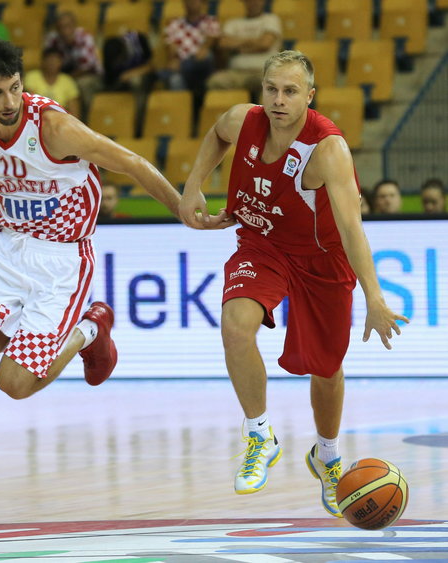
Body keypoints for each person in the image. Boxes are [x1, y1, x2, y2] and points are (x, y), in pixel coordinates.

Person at [0, 37, 194, 533]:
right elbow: (2, 186)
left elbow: (134, 163)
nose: (10, 102)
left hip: (60, 262)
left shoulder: (55, 127)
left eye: (15, 88)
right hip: (5, 254)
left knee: (14, 384)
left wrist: (188, 213)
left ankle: (90, 329)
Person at [178, 50, 408, 518]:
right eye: (272, 89)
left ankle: (326, 455)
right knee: (235, 325)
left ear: (310, 96)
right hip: (262, 243)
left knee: (326, 369)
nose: (279, 100)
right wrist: (194, 183)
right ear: (261, 90)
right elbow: (217, 135)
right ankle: (259, 434)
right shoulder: (243, 119)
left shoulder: (328, 149)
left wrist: (374, 296)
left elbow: (351, 229)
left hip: (322, 260)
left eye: (290, 91)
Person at [207, 0, 282, 100]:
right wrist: (254, 41)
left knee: (269, 83)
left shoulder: (271, 19)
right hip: (237, 73)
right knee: (215, 81)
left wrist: (237, 46)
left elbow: (265, 44)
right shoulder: (233, 23)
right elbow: (223, 43)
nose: (253, 3)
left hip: (263, 72)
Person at [159, 0, 221, 113]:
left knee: (208, 57)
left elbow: (209, 45)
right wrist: (175, 59)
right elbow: (171, 51)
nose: (192, 2)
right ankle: (181, 119)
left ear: (203, 3)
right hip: (184, 71)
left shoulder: (211, 22)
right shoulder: (173, 24)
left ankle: (163, 73)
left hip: (203, 69)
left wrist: (201, 51)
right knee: (175, 79)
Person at [43, 10, 103, 121]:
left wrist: (67, 79)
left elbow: (87, 67)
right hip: (65, 73)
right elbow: (48, 58)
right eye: (60, 27)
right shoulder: (53, 39)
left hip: (90, 75)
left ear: (74, 25)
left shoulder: (85, 37)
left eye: (68, 26)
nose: (64, 30)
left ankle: (85, 122)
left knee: (82, 84)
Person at [24, 46, 81, 119]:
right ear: (43, 61)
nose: (52, 63)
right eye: (49, 60)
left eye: (55, 60)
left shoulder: (68, 81)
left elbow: (75, 114)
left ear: (61, 62)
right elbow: (31, 105)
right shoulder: (32, 77)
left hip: (62, 121)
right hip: (37, 119)